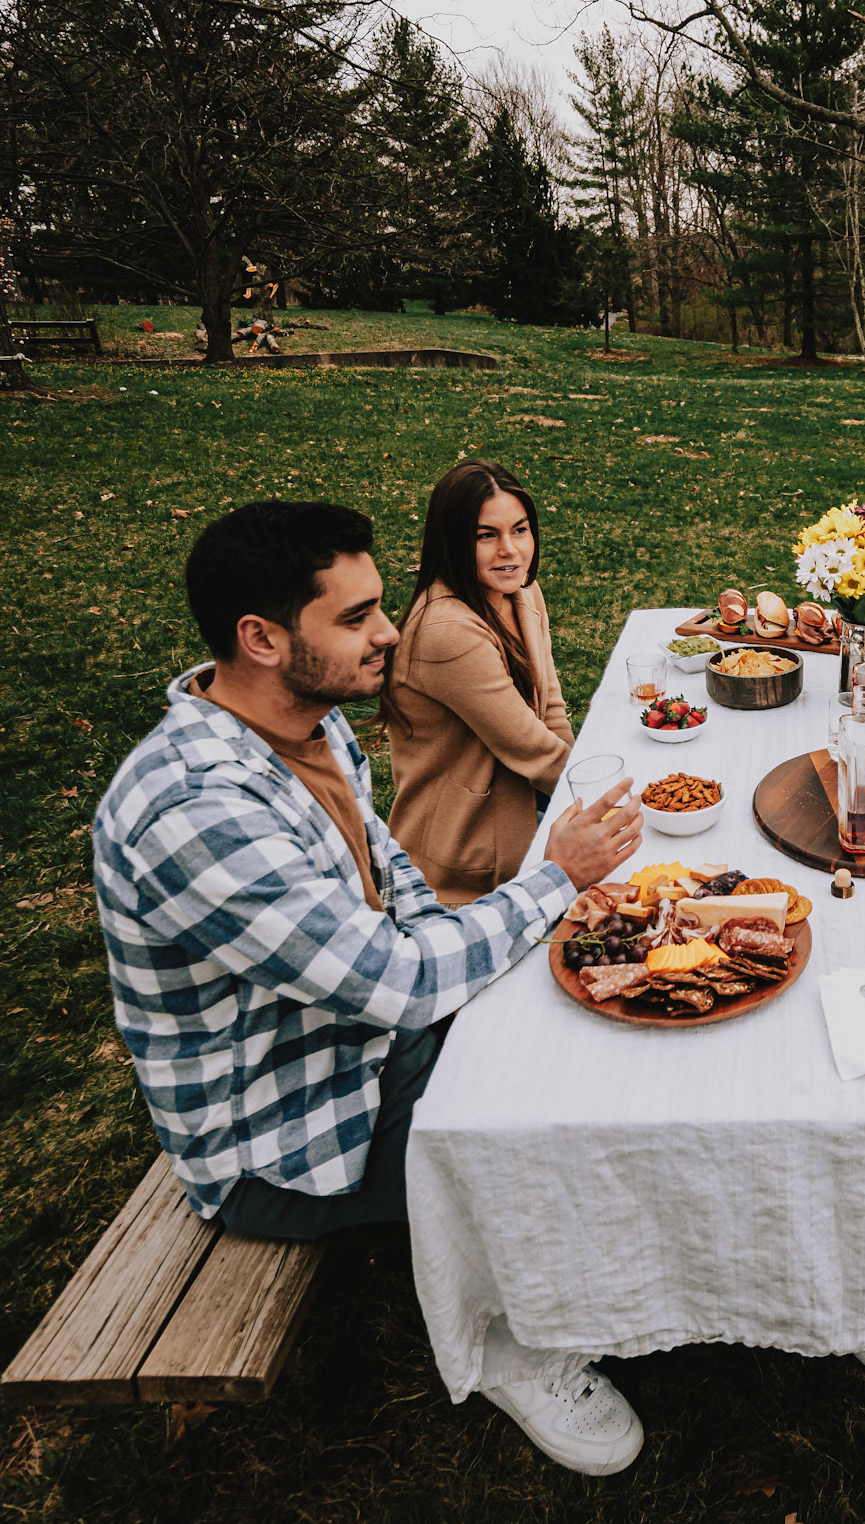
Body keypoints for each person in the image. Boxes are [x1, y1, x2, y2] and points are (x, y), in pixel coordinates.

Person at [93, 501, 650, 1474]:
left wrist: (493, 956)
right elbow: (394, 982)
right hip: (287, 1136)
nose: (390, 632)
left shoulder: (306, 729)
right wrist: (555, 881)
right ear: (262, 639)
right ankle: (514, 1349)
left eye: (379, 606)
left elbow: (403, 893)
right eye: (356, 617)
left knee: (602, 1038)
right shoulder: (196, 808)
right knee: (557, 1148)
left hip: (370, 1044)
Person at [384, 460, 575, 904]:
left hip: (527, 808)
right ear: (451, 542)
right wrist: (615, 803)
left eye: (520, 530)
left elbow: (551, 711)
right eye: (485, 536)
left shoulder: (522, 591)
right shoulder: (446, 631)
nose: (510, 550)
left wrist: (581, 799)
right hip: (464, 857)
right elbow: (533, 751)